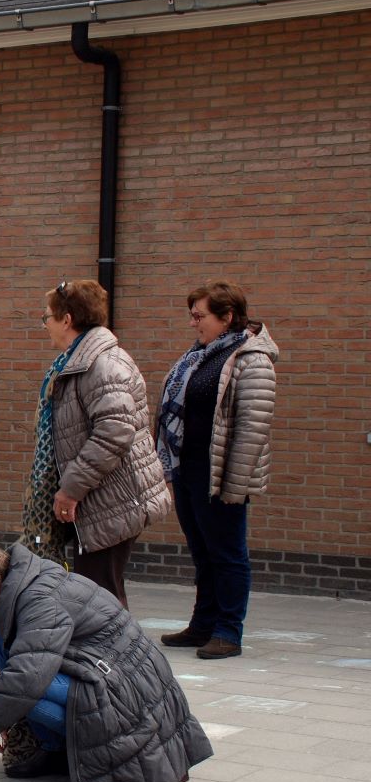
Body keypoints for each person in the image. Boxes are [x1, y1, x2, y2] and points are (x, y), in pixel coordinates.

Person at [0, 540, 212, 782]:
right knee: (2, 647)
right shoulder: (32, 577)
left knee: (27, 691)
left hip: (130, 703)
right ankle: (53, 746)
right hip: (125, 681)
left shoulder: (39, 602)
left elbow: (24, 683)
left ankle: (60, 749)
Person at [19, 279, 171, 609]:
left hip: (110, 502)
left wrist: (70, 489)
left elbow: (114, 434)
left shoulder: (102, 365)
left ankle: (118, 660)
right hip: (101, 500)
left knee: (100, 601)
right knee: (95, 594)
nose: (45, 325)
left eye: (47, 317)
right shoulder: (78, 362)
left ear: (67, 319)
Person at [157, 281, 278, 660]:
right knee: (202, 551)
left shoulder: (251, 358)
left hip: (221, 473)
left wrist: (233, 483)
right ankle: (203, 624)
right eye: (192, 315)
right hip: (189, 468)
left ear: (227, 317)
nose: (194, 323)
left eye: (200, 316)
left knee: (227, 553)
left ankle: (228, 631)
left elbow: (252, 426)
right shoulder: (200, 355)